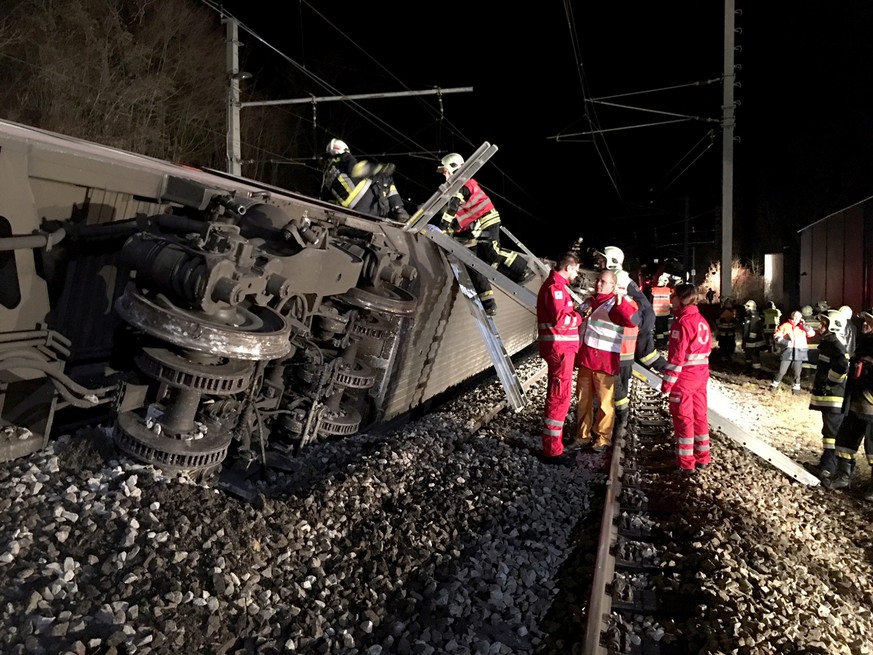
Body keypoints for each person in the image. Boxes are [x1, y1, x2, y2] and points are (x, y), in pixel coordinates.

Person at [436, 153, 533, 316]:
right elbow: (462, 215)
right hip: (480, 223)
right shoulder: (462, 185)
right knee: (484, 260)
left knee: (493, 251)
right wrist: (451, 228)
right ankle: (492, 298)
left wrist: (443, 227)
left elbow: (453, 207)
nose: (444, 175)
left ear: (454, 168)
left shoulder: (462, 184)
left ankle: (523, 269)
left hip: (487, 219)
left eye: (446, 171)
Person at [572, 269, 640, 452]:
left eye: (603, 281)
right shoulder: (591, 301)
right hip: (587, 359)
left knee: (604, 404)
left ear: (613, 285)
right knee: (583, 401)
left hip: (605, 361)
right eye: (598, 281)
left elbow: (633, 321)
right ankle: (582, 436)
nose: (598, 284)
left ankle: (603, 439)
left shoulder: (615, 303)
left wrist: (620, 303)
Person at [536, 252, 585, 463]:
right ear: (568, 267)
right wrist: (579, 315)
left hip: (561, 349)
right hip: (560, 350)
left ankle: (554, 445)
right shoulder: (555, 288)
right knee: (559, 398)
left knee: (560, 396)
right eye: (576, 269)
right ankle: (552, 450)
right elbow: (561, 320)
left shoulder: (557, 286)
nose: (577, 274)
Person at [661, 283, 712, 474]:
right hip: (701, 376)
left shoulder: (682, 323)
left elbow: (676, 358)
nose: (671, 299)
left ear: (682, 299)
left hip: (685, 379)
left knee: (684, 419)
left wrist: (667, 384)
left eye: (673, 296)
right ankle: (703, 457)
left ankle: (685, 463)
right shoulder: (701, 320)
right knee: (700, 417)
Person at [821, 309, 873, 499]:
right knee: (845, 441)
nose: (865, 324)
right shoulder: (864, 344)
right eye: (865, 321)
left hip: (870, 406)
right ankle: (843, 477)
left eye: (869, 322)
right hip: (855, 403)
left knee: (872, 448)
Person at [806, 309, 850, 481]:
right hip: (830, 397)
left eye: (824, 324)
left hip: (834, 397)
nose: (820, 327)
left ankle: (829, 468)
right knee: (828, 432)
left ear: (833, 326)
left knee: (832, 434)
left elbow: (843, 365)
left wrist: (830, 383)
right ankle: (825, 464)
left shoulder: (835, 344)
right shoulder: (829, 343)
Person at [321, 138, 409, 221]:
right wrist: (381, 168)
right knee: (385, 178)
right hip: (369, 205)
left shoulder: (327, 176)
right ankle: (400, 211)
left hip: (353, 211)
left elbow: (325, 199)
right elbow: (358, 169)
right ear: (343, 149)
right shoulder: (345, 157)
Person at [612, 271, 640, 441]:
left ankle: (622, 415)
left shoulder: (618, 305)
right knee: (623, 385)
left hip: (617, 354)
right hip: (628, 354)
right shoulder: (634, 304)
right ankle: (621, 417)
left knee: (616, 389)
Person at [770, 309, 816, 394]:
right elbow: (776, 335)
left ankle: (796, 389)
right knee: (782, 371)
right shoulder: (786, 325)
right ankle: (774, 386)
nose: (797, 319)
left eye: (799, 317)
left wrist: (805, 325)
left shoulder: (803, 326)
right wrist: (785, 342)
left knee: (797, 372)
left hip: (799, 351)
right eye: (796, 317)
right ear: (792, 317)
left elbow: (812, 333)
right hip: (788, 350)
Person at [741, 299, 766, 376]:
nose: (746, 308)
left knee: (754, 355)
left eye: (747, 307)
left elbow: (753, 329)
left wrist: (750, 340)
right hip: (748, 340)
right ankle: (748, 368)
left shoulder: (754, 317)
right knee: (748, 355)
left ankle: (756, 371)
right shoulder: (748, 316)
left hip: (753, 341)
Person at [650, 274, 672, 347]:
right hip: (666, 313)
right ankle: (666, 340)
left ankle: (660, 343)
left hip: (657, 313)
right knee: (665, 328)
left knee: (659, 329)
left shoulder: (653, 290)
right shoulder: (668, 290)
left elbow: (650, 301)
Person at [716, 298, 737, 363]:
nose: (728, 304)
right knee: (723, 345)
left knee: (730, 345)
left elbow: (735, 320)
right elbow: (718, 320)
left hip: (730, 332)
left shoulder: (733, 311)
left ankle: (729, 356)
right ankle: (724, 357)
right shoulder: (722, 311)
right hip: (724, 332)